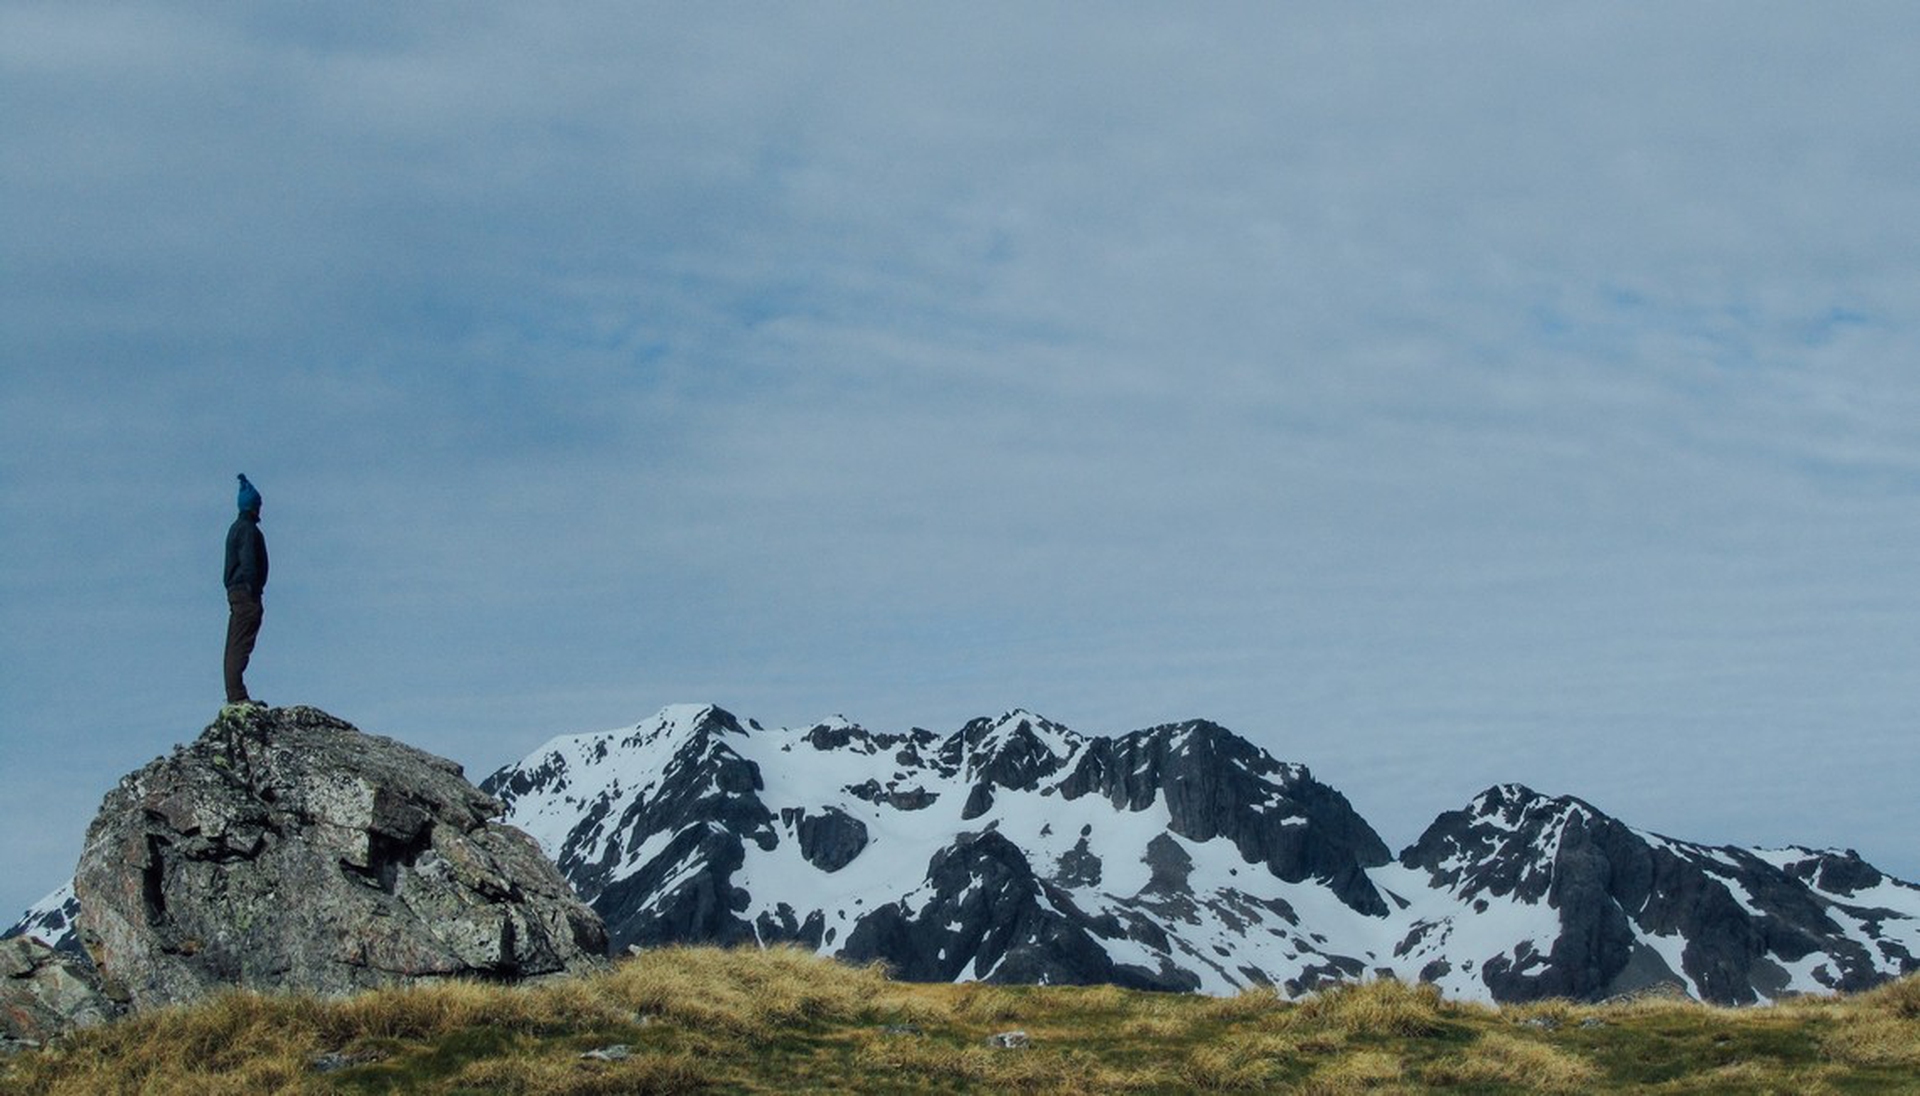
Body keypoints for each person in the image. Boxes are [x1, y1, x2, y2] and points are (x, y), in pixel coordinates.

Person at [224, 473, 270, 705]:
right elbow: (250, 562)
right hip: (246, 593)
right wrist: (254, 588)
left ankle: (235, 692)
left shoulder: (235, 529)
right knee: (241, 642)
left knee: (236, 639)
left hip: (236, 591)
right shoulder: (249, 531)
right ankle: (237, 694)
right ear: (254, 506)